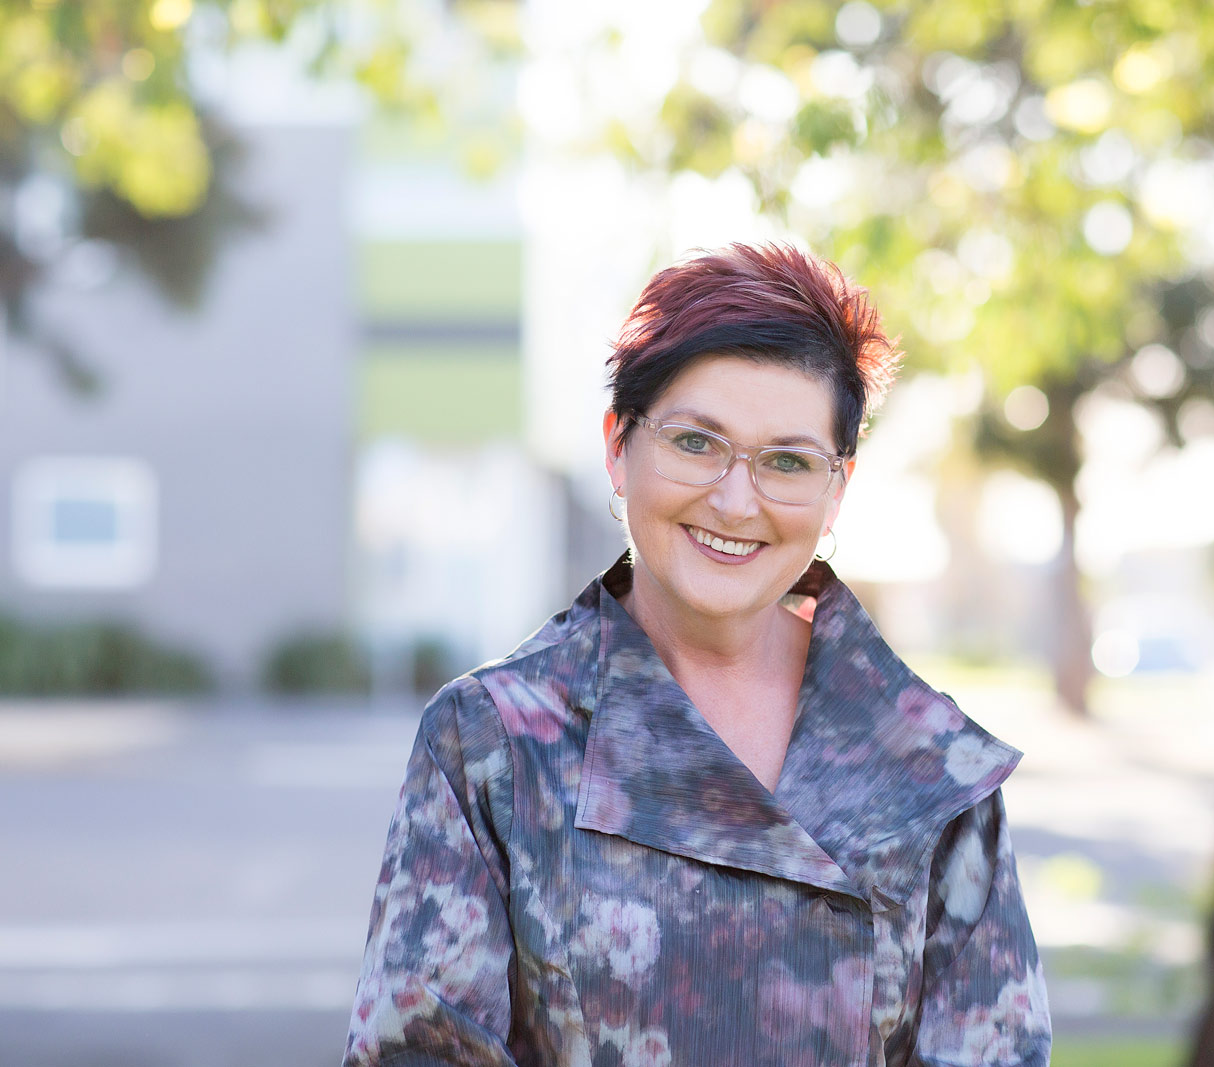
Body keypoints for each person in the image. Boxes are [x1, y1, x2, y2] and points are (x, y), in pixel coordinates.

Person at [344, 244, 1051, 1067]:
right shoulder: (495, 742)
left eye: (787, 460)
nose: (734, 499)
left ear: (836, 492)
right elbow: (418, 1051)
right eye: (695, 442)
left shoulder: (931, 766)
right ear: (618, 446)